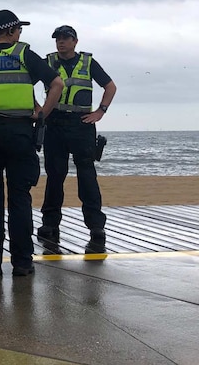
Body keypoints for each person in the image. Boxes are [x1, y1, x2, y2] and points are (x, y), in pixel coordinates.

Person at [0, 10, 63, 276]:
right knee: (19, 198)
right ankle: (23, 263)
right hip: (19, 134)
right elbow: (57, 84)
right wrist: (42, 114)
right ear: (11, 31)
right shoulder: (24, 53)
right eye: (19, 30)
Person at [38, 25, 117, 254]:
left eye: (65, 38)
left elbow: (110, 87)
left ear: (75, 41)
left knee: (87, 176)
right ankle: (50, 224)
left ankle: (96, 227)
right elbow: (26, 82)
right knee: (55, 175)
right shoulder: (47, 62)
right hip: (54, 125)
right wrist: (40, 110)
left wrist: (101, 111)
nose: (60, 42)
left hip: (82, 125)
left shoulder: (88, 62)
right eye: (58, 39)